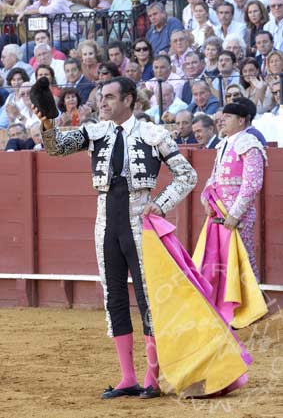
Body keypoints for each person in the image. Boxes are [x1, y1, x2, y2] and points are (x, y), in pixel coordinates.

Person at [35, 76, 197, 399]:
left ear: (129, 100)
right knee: (115, 298)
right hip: (106, 222)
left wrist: (161, 204)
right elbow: (56, 149)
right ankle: (128, 378)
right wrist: (49, 124)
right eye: (101, 97)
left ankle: (152, 378)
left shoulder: (154, 134)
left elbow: (187, 175)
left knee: (148, 297)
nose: (103, 102)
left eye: (109, 97)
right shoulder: (95, 132)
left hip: (141, 221)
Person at [193, 101, 267, 326]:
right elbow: (214, 177)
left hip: (237, 215)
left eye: (227, 117)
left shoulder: (249, 143)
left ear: (242, 120)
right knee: (223, 261)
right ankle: (228, 309)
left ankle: (253, 310)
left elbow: (252, 183)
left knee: (242, 260)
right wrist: (206, 198)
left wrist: (235, 214)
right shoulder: (224, 144)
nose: (221, 120)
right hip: (220, 213)